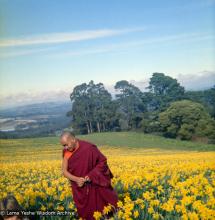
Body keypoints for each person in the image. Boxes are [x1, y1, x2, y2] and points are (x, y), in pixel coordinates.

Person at [60, 131, 118, 220]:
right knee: (84, 214)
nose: (65, 148)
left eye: (66, 145)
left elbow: (102, 162)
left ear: (73, 140)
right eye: (64, 146)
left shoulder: (89, 148)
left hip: (93, 184)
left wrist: (91, 175)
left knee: (101, 210)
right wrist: (77, 179)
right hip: (79, 187)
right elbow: (64, 171)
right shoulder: (67, 152)